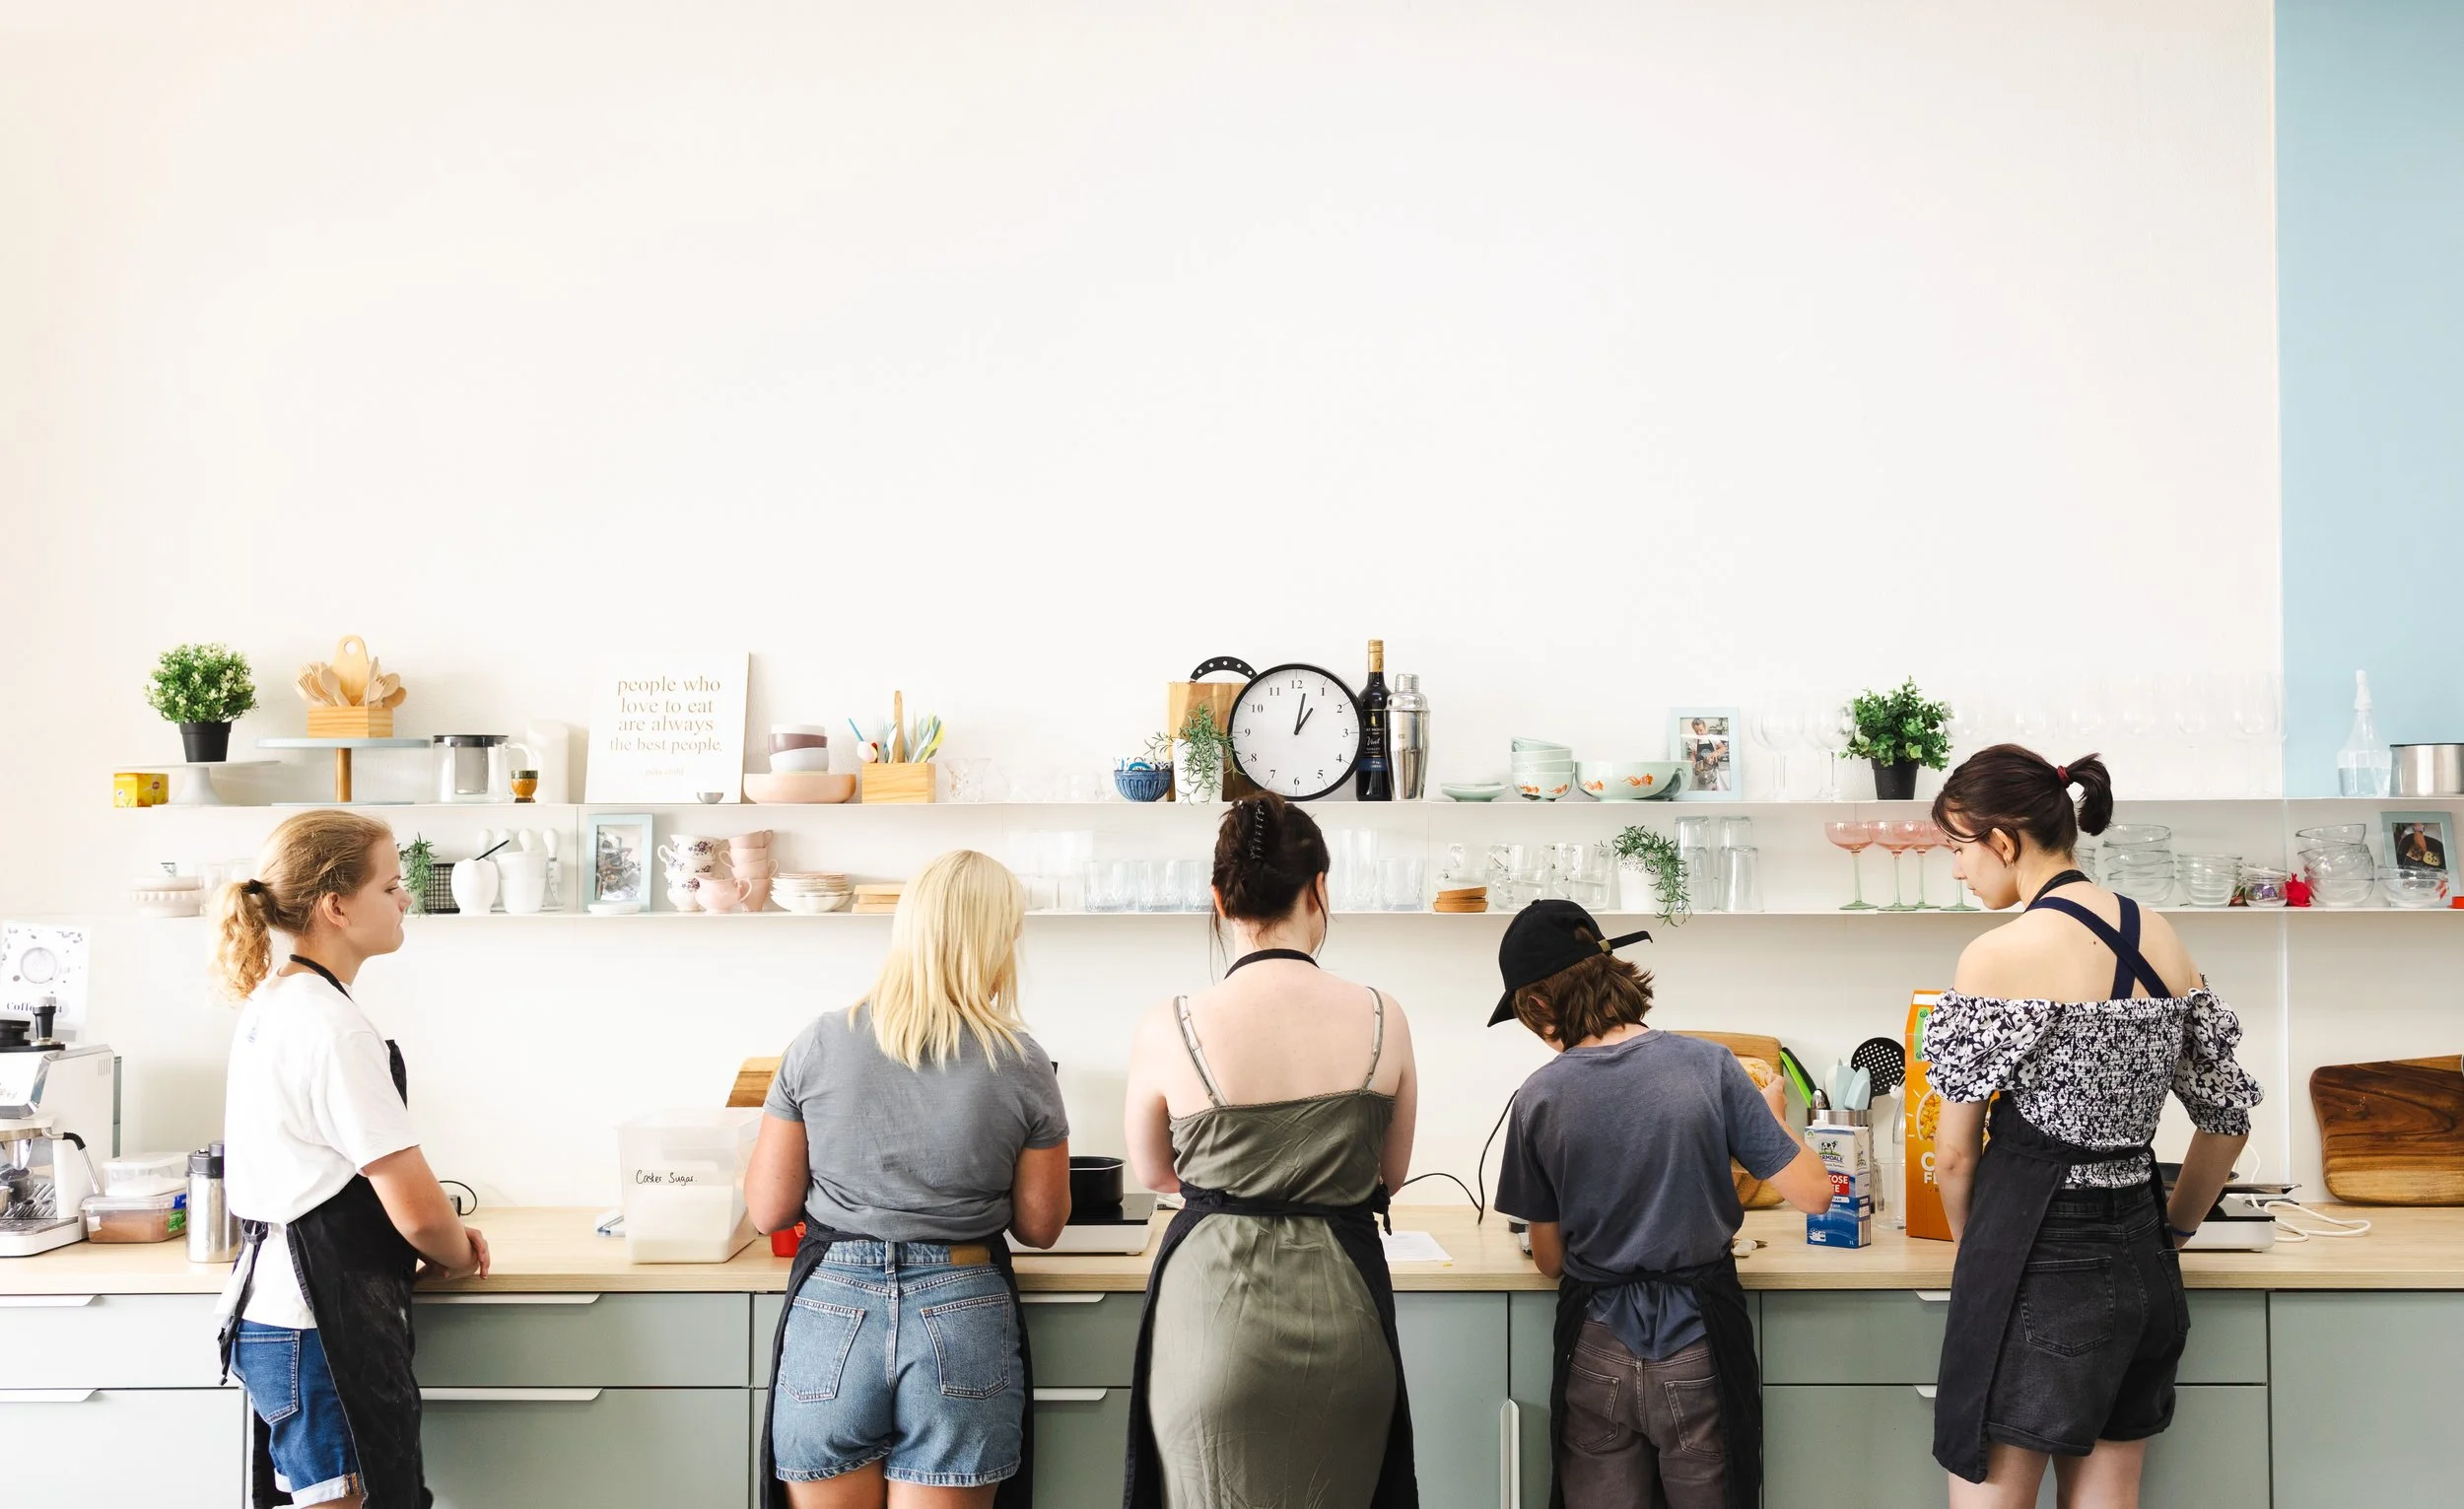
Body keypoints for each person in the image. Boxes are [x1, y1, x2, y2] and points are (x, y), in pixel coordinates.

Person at [1927, 747, 2263, 1508]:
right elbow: (2227, 1120)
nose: (1956, 870)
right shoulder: (2161, 937)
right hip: (2141, 1259)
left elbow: (1953, 1155)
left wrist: (1975, 1257)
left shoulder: (1998, 955)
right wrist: (2170, 1231)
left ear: (2003, 841)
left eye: (1957, 848)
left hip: (2033, 1256)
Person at [1120, 791, 1421, 1508]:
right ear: (1320, 888)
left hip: (1211, 1325)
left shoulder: (1171, 1022)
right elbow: (1393, 1172)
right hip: (1342, 1319)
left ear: (1221, 899)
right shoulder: (1384, 1014)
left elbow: (1154, 1171)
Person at [746, 850, 1071, 1509]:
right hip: (964, 1313)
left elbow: (767, 1209)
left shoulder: (818, 1042)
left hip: (833, 1312)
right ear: (996, 940)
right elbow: (1041, 1226)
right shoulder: (1021, 1060)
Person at [1490, 901, 1832, 1509]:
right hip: (1698, 1339)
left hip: (1596, 1342)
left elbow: (1548, 1260)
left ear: (1539, 1006)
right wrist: (1777, 1121)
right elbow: (1814, 1192)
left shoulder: (1540, 1094)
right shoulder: (1708, 1065)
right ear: (1613, 969)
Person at [211, 810, 490, 1509]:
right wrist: (457, 1249)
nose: (405, 900)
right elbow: (420, 1210)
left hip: (273, 1313)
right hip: (316, 1323)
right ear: (336, 904)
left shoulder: (274, 1002)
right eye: (392, 885)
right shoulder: (334, 1028)